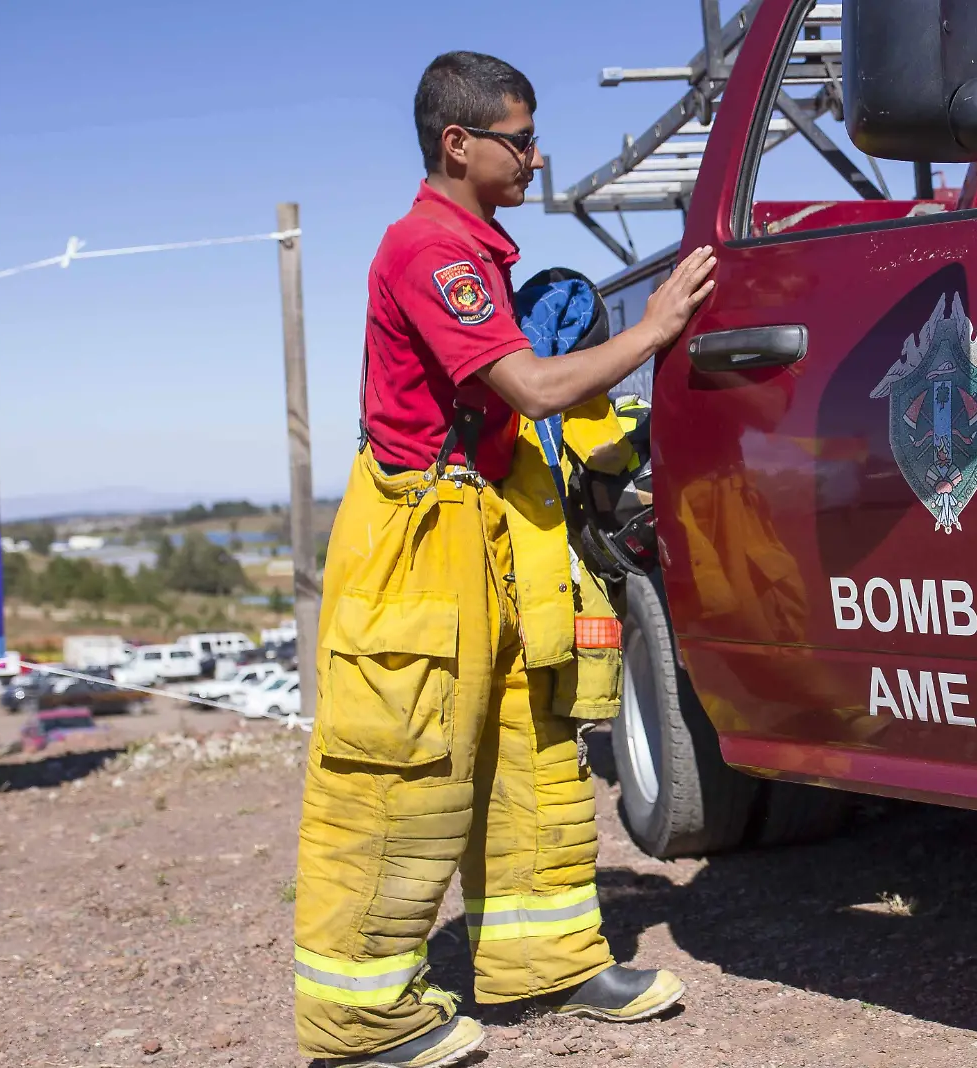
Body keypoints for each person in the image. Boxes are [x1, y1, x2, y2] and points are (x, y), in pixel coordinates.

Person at [292, 51, 716, 1067]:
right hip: (420, 544)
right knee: (406, 769)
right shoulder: (428, 251)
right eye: (520, 140)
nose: (536, 156)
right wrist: (656, 329)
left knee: (530, 748)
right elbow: (528, 388)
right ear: (459, 143)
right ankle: (362, 1021)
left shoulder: (473, 249)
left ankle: (549, 961)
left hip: (485, 528)